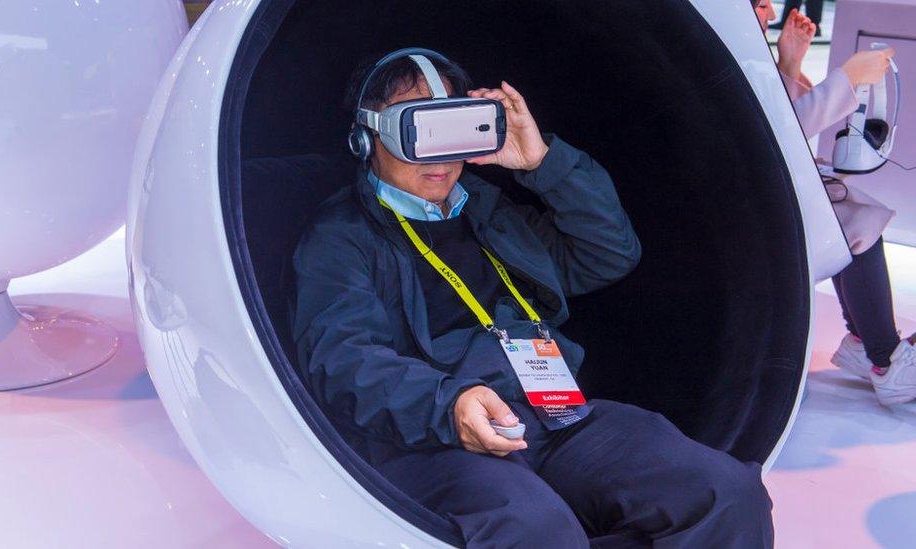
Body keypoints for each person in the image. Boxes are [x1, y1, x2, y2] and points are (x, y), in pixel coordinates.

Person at [292, 49, 773, 547]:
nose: (440, 155)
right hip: (434, 438)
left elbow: (607, 254)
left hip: (553, 411)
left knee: (726, 492)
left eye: (454, 126)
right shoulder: (341, 237)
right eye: (418, 130)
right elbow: (341, 358)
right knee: (538, 529)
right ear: (367, 137)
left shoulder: (483, 208)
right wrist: (447, 405)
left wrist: (544, 162)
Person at [753, 0, 916, 405]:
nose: (770, 14)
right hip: (745, 199)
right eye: (758, 6)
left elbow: (773, 117)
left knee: (848, 213)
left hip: (752, 189)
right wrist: (847, 79)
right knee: (852, 220)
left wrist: (789, 65)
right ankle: (885, 359)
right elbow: (775, 133)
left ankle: (868, 343)